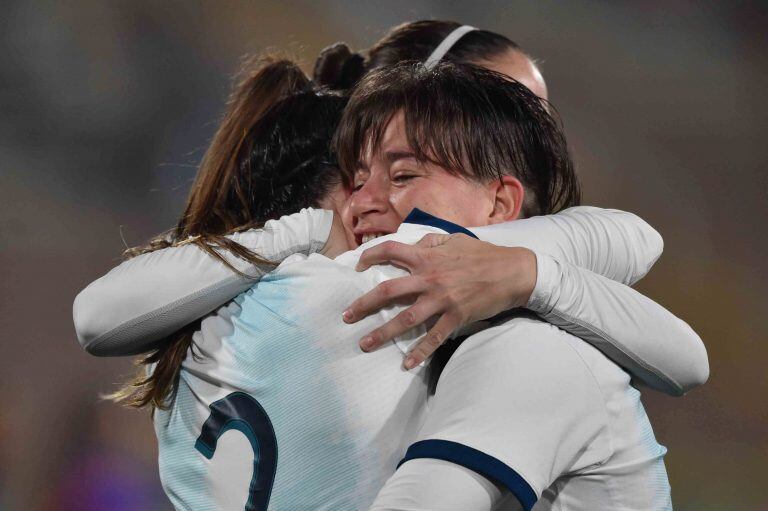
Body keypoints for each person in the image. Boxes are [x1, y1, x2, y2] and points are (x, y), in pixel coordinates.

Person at [75, 56, 701, 509]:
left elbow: (97, 317)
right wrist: (525, 270)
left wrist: (520, 271)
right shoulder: (389, 293)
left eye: (400, 177)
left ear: (501, 200)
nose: (364, 205)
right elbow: (645, 271)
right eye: (357, 178)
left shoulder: (204, 321)